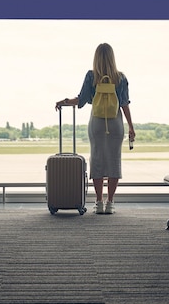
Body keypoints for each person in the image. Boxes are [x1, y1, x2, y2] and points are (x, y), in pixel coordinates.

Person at [55, 43, 135, 214]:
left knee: (97, 160)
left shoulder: (91, 76)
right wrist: (131, 127)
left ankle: (99, 202)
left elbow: (82, 100)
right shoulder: (120, 78)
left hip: (97, 123)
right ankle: (110, 202)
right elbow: (124, 104)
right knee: (114, 161)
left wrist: (65, 101)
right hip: (115, 123)